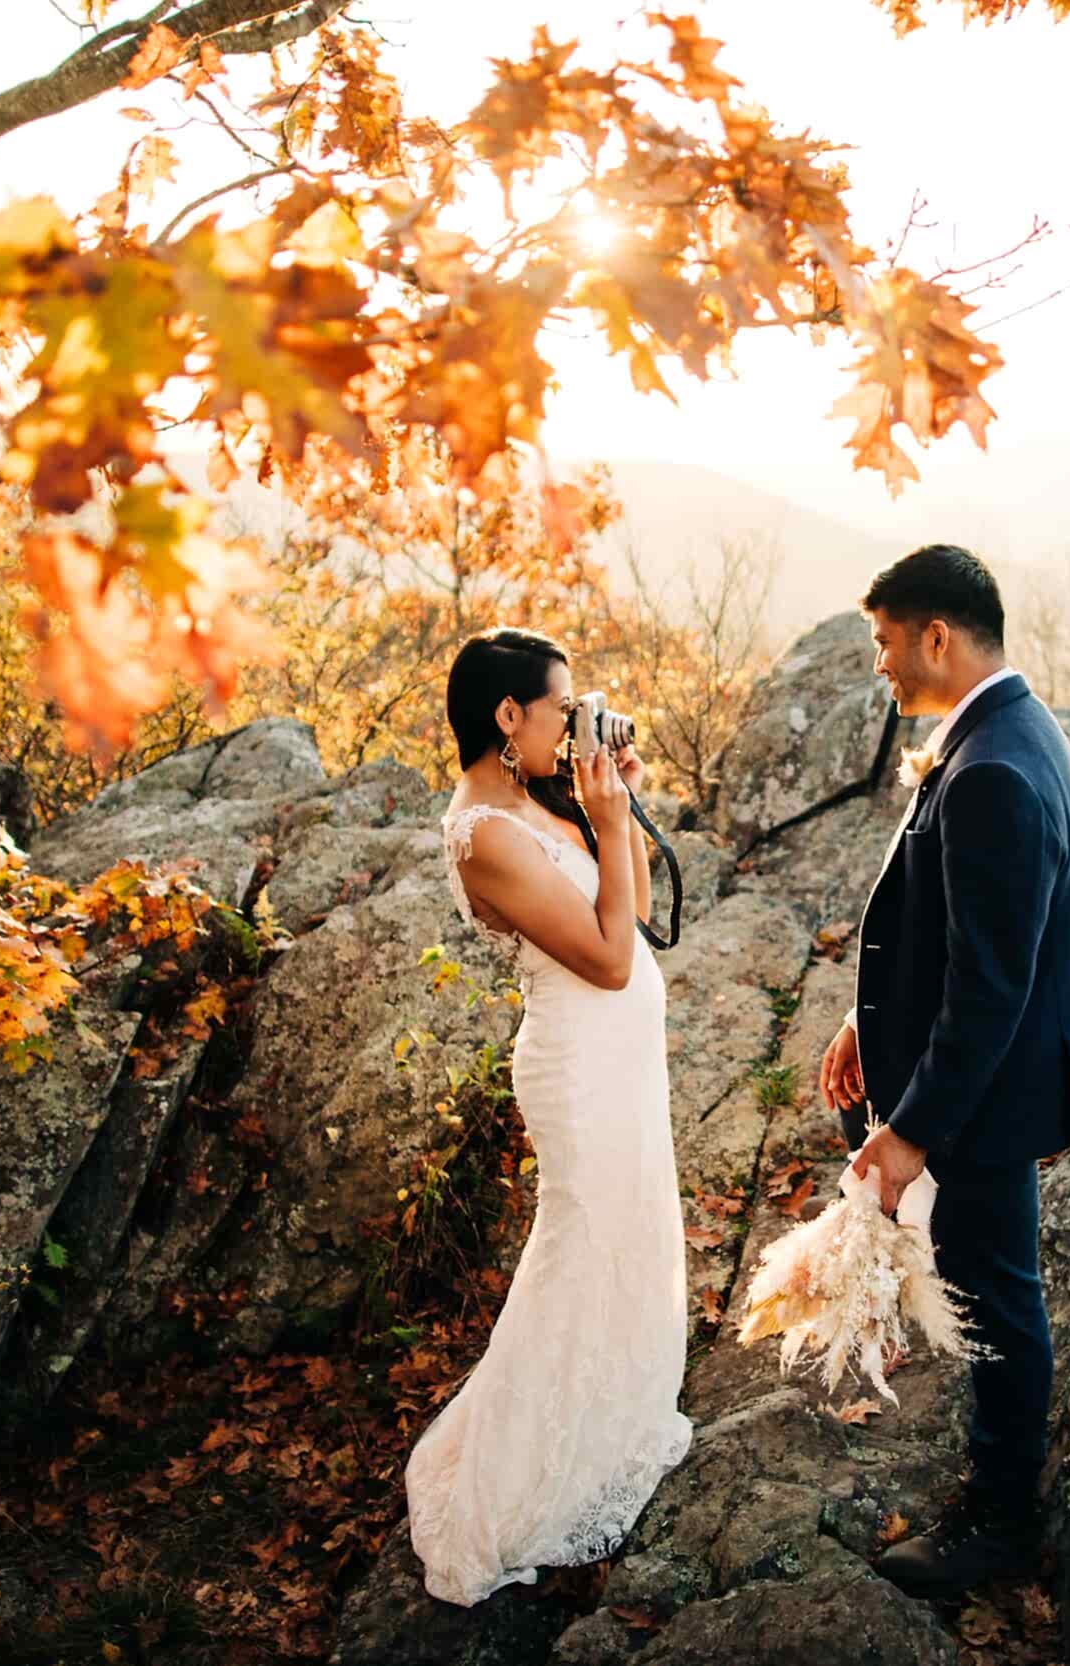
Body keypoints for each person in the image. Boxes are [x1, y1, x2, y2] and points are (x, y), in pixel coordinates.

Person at [819, 545, 1070, 1599]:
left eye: (887, 641)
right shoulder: (1007, 729)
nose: (883, 664)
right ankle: (997, 1494)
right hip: (989, 1083)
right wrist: (864, 1017)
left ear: (935, 635)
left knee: (998, 1300)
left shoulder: (989, 767)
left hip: (987, 1099)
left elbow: (990, 985)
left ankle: (998, 1520)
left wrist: (912, 1130)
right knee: (994, 1287)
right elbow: (956, 928)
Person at [404, 627, 691, 1606]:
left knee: (628, 1237)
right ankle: (521, 1478)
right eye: (561, 710)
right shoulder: (480, 834)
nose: (572, 725)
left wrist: (609, 805)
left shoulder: (537, 797)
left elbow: (635, 910)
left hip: (622, 1058)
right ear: (506, 714)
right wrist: (605, 823)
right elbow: (608, 961)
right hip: (576, 1063)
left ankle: (609, 1427)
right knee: (582, 1247)